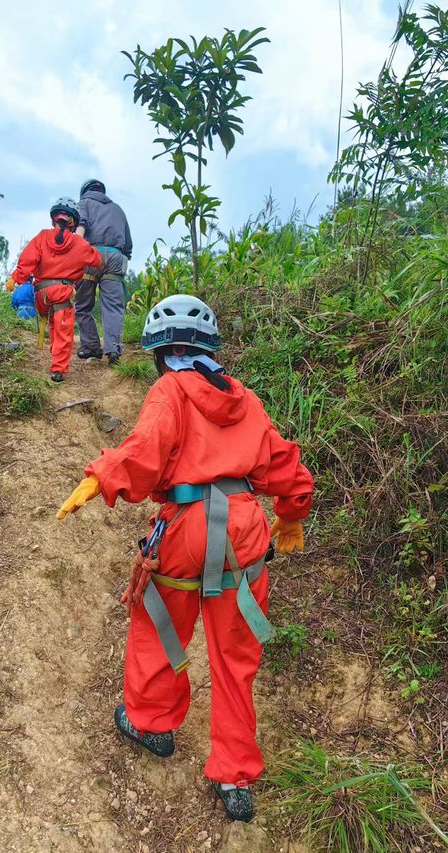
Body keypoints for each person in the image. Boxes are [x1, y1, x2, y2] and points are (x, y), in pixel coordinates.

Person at [56, 294, 314, 821]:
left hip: (185, 527)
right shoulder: (246, 399)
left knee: (158, 624)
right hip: (243, 532)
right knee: (235, 657)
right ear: (209, 348)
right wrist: (290, 514)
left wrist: (100, 476)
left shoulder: (169, 390)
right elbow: (283, 462)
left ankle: (152, 725)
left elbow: (145, 454)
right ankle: (235, 777)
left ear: (158, 352)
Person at [5, 199, 103, 382]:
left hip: (41, 295)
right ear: (73, 222)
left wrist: (15, 279)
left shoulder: (42, 237)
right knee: (63, 330)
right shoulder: (78, 243)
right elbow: (97, 260)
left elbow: (27, 261)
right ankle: (58, 369)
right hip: (62, 294)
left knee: (52, 322)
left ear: (53, 220)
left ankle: (53, 351)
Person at [74, 179, 133, 366]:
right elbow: (128, 244)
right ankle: (113, 349)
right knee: (114, 307)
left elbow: (80, 227)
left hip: (90, 255)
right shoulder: (118, 209)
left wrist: (74, 253)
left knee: (83, 305)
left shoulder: (83, 203)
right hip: (116, 257)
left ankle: (91, 346)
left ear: (84, 192)